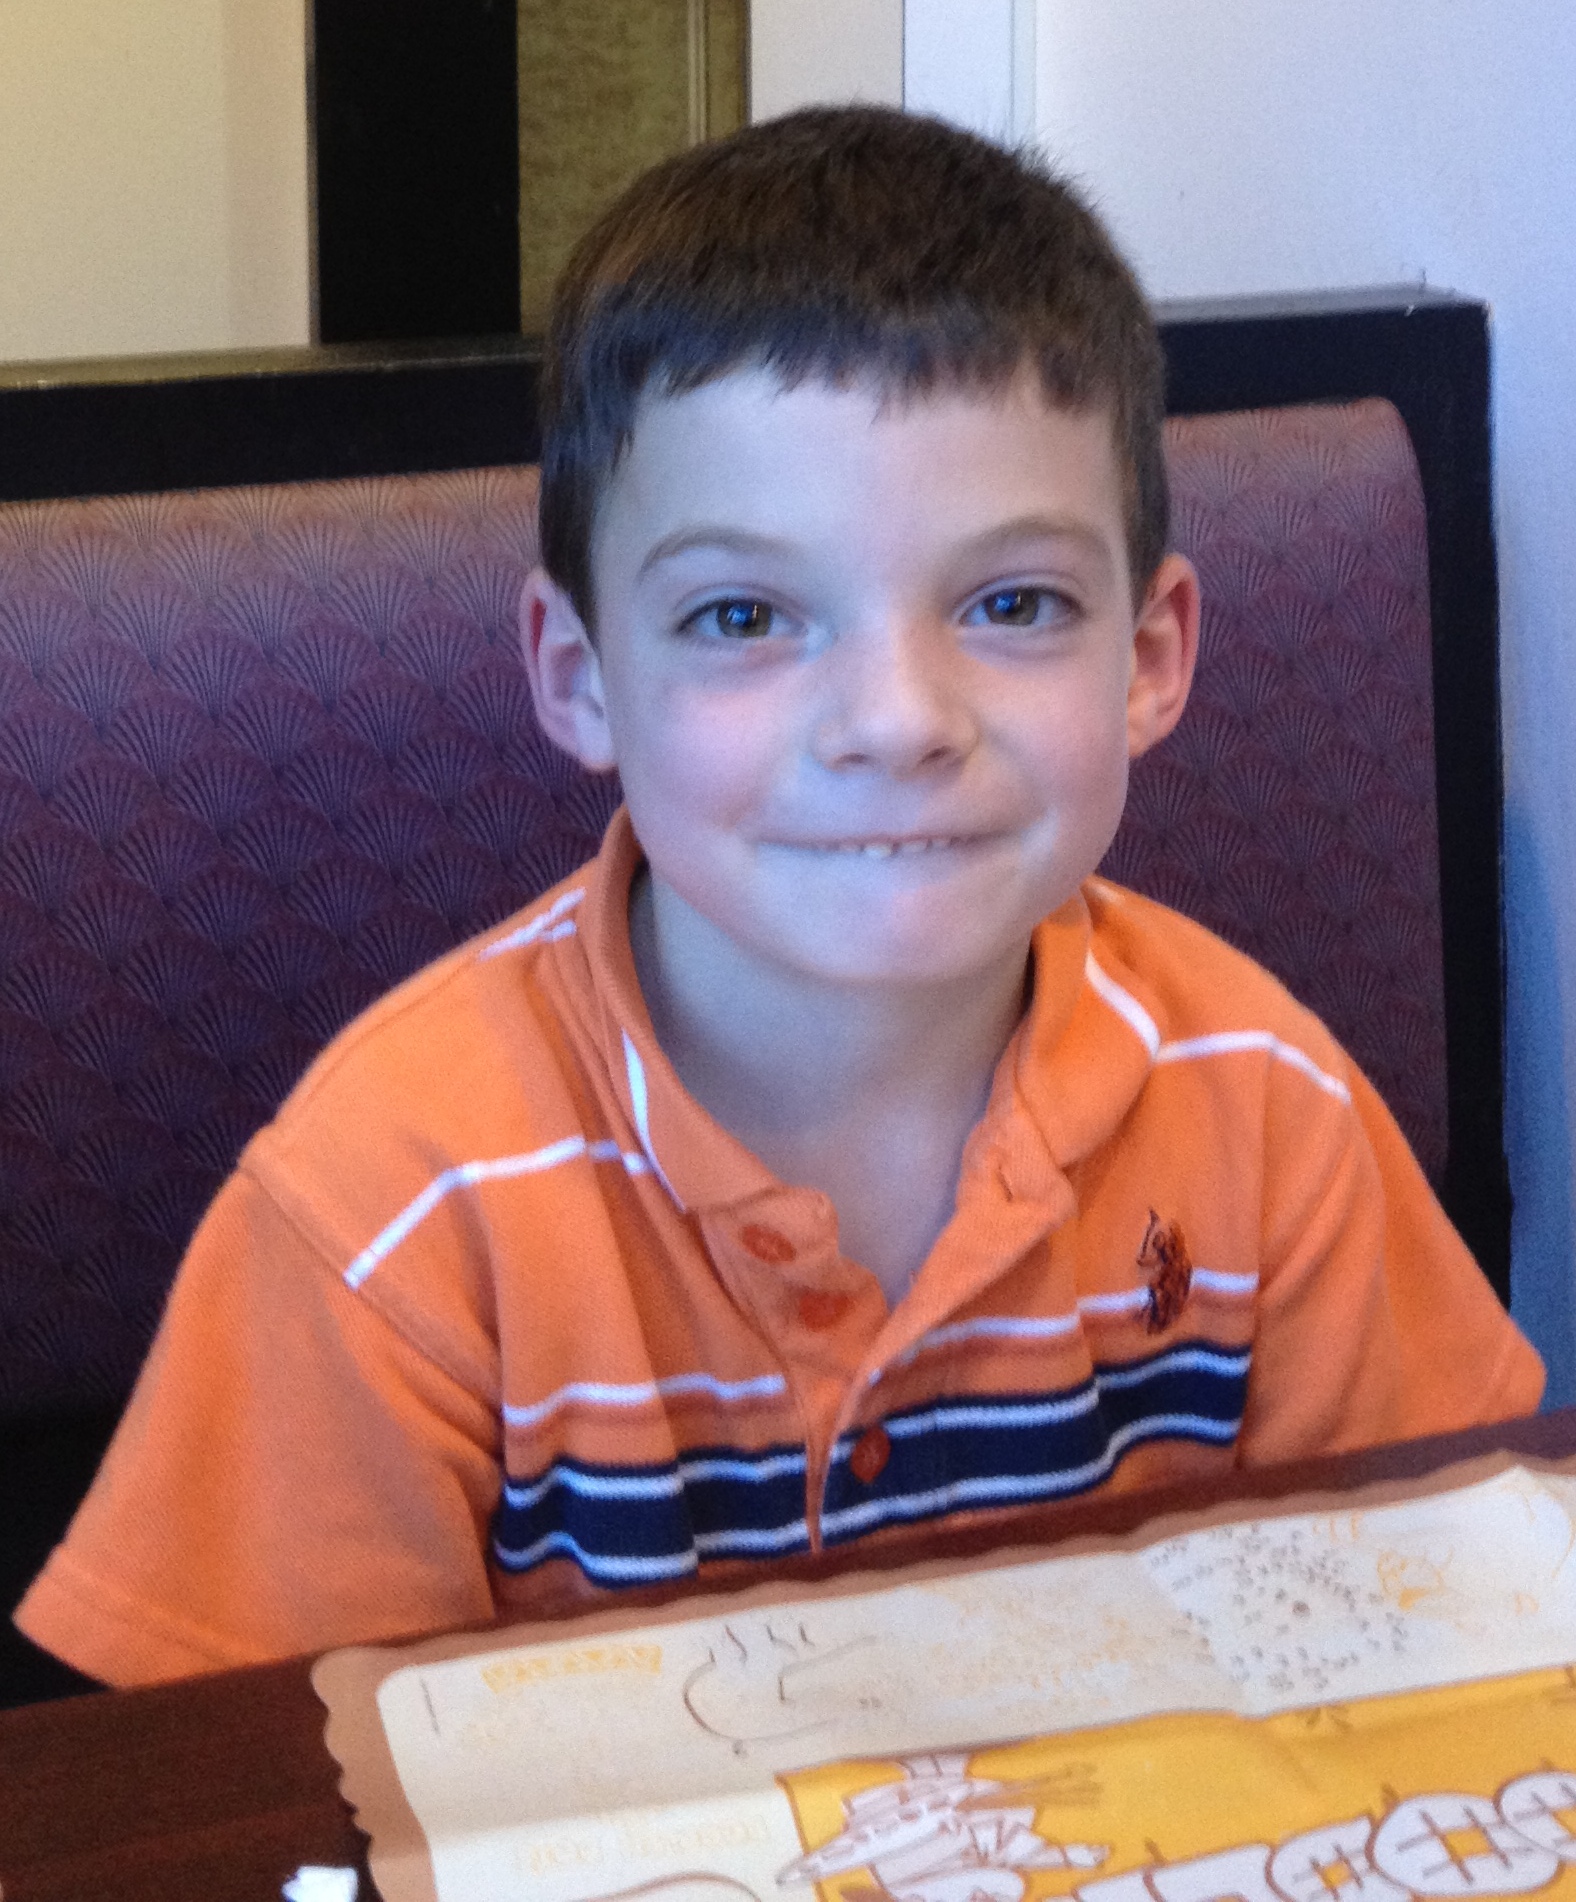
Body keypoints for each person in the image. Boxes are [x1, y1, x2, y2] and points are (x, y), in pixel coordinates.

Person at [16, 106, 1542, 1688]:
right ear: (578, 675)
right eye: (744, 615)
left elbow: (1455, 1626)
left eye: (1014, 601)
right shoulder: (399, 1200)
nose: (896, 719)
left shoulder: (1268, 1107)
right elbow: (248, 1774)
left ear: (1149, 657)